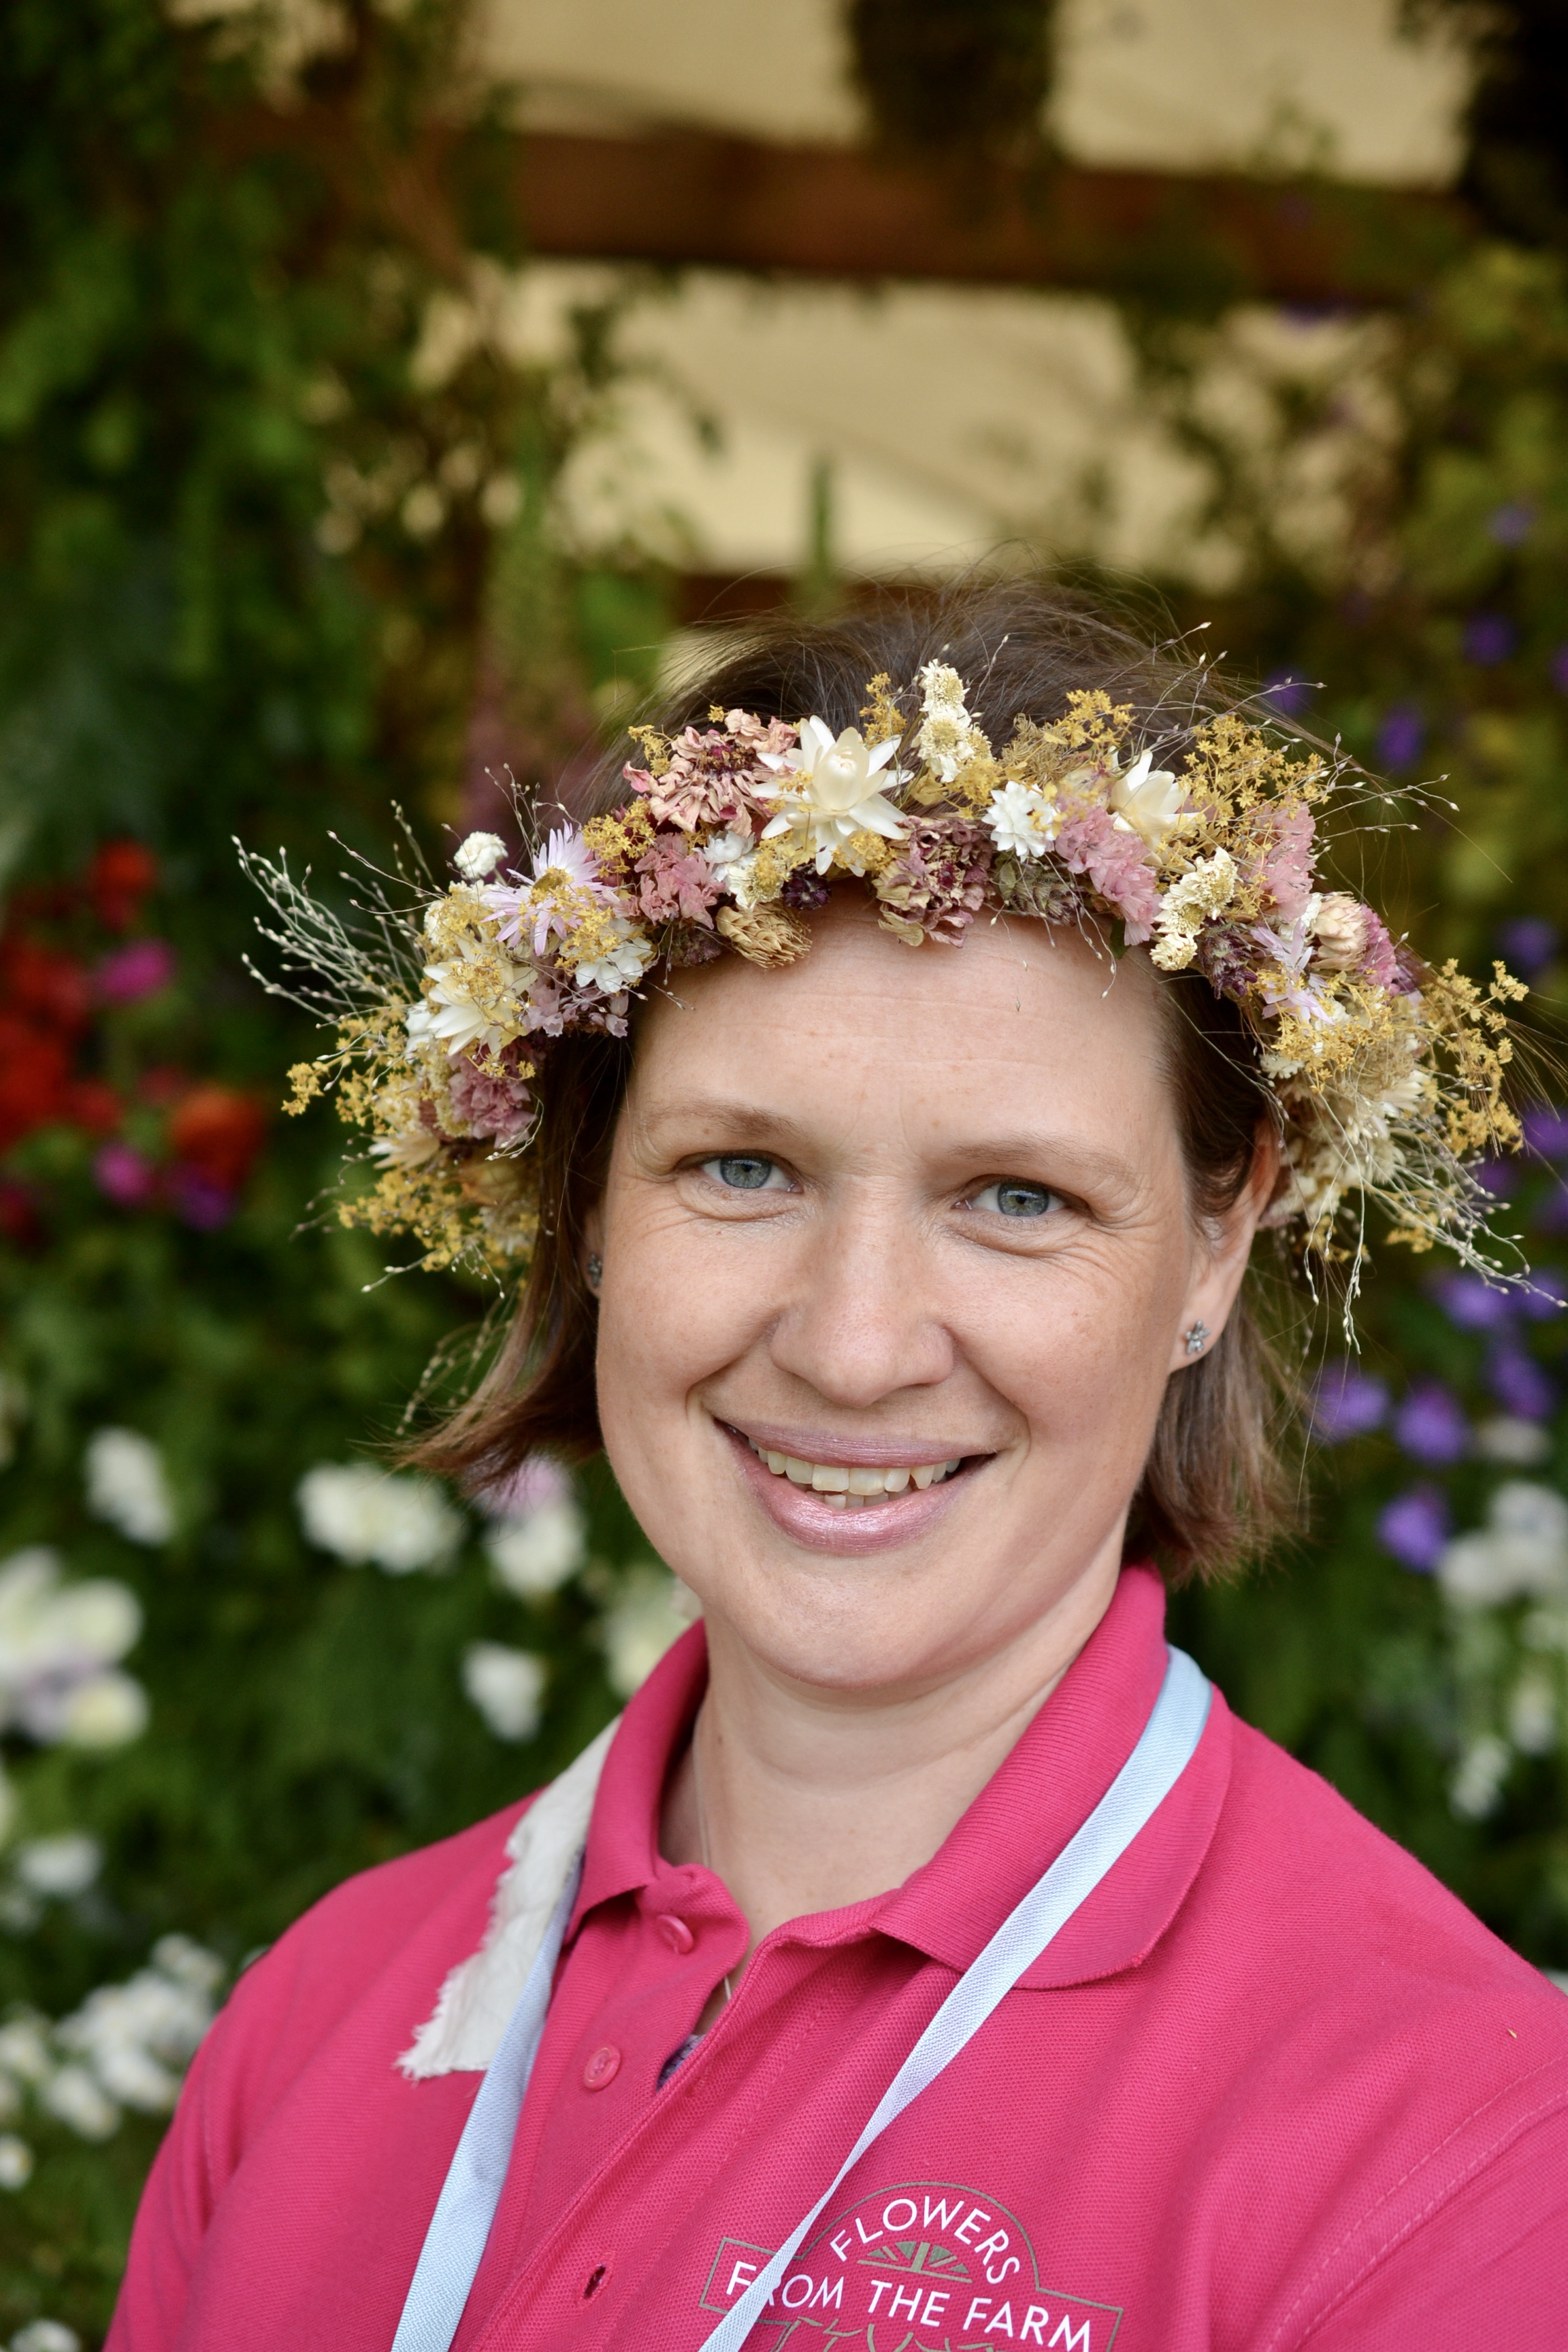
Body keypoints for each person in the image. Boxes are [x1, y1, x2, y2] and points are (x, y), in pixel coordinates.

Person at [112, 587, 1568, 2352]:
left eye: (1017, 1198)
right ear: (588, 1199)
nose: (854, 1346)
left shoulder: (1464, 2160)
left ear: (1214, 1241)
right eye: (741, 1169)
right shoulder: (321, 2014)